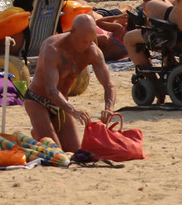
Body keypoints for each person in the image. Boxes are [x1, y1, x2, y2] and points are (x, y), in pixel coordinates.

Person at [23, 14, 117, 152]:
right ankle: (38, 134)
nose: (87, 45)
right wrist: (73, 111)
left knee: (75, 151)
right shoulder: (53, 48)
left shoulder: (92, 50)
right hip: (38, 100)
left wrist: (109, 108)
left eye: (91, 41)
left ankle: (44, 133)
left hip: (61, 103)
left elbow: (109, 84)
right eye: (84, 41)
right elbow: (51, 90)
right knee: (56, 153)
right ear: (72, 33)